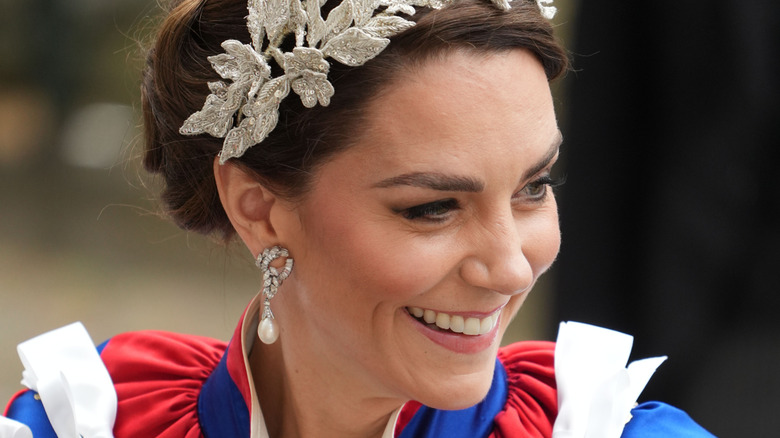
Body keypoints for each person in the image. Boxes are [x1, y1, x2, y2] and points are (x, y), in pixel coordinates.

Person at [2, 0, 715, 436]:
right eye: (433, 207)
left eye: (535, 187)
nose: (509, 266)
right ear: (258, 208)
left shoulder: (600, 430)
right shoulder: (87, 423)